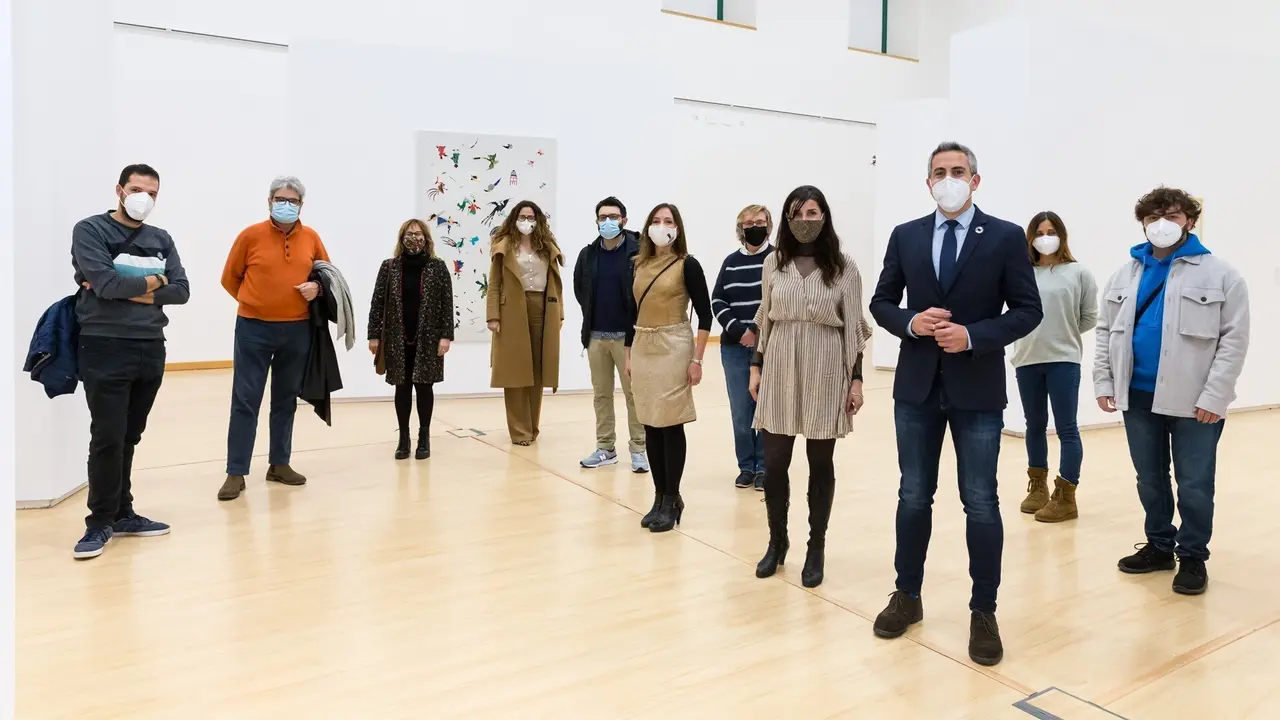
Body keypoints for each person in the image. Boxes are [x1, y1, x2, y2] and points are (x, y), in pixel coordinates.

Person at [868, 142, 1042, 666]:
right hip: (917, 388)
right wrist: (909, 322)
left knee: (981, 502)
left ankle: (983, 610)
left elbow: (1028, 310)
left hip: (977, 389)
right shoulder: (907, 235)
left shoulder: (1007, 237)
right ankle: (908, 595)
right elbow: (881, 301)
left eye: (958, 171)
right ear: (928, 183)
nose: (949, 179)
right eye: (940, 172)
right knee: (914, 496)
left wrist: (972, 335)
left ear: (976, 179)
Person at [1095, 187, 1248, 596]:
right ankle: (1160, 546)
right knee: (1150, 478)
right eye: (1153, 217)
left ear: (1190, 222)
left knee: (1195, 482)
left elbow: (1233, 340)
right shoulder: (1124, 273)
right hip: (1138, 396)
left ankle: (1193, 555)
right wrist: (1104, 381)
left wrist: (1215, 396)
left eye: (1173, 216)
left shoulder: (1220, 273)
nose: (1162, 224)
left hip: (1193, 400)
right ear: (1143, 222)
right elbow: (1105, 330)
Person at [748, 187, 872, 588]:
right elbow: (765, 319)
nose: (805, 219)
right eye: (797, 212)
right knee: (776, 461)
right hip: (781, 362)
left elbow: (854, 327)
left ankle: (815, 546)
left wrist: (856, 379)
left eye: (813, 211)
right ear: (786, 219)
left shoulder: (843, 267)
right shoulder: (773, 263)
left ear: (825, 216)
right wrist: (756, 367)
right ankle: (777, 541)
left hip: (825, 367)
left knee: (820, 463)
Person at [69, 163, 190, 559]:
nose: (144, 198)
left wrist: (130, 286)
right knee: (107, 436)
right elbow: (105, 284)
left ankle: (122, 512)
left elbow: (183, 290)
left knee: (129, 435)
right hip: (104, 345)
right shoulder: (90, 230)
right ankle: (99, 523)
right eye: (137, 189)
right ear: (119, 190)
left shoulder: (161, 238)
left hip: (151, 346)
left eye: (152, 193)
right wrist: (156, 281)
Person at [217, 176, 330, 501]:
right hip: (253, 329)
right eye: (281, 199)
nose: (286, 205)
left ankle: (279, 464)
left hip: (297, 330)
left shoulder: (311, 238)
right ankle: (235, 472)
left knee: (285, 401)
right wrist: (255, 302)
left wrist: (317, 289)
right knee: (245, 400)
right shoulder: (249, 236)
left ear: (301, 206)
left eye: (293, 201)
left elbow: (327, 274)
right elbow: (229, 278)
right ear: (269, 202)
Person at [629, 203, 713, 533]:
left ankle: (673, 497)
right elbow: (631, 312)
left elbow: (705, 315)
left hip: (674, 345)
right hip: (643, 345)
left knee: (670, 423)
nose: (661, 225)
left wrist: (697, 359)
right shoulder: (639, 264)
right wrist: (629, 354)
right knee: (650, 422)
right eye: (656, 220)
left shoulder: (687, 265)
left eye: (668, 221)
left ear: (677, 228)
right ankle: (660, 496)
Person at [1013, 212, 1098, 522]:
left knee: (1066, 428)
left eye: (1051, 231)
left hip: (1063, 360)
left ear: (1062, 235)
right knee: (1033, 425)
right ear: (1030, 238)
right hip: (1027, 359)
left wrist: (1062, 333)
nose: (1045, 237)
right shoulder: (1021, 274)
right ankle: (1038, 487)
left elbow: (1089, 317)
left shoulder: (1078, 273)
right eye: (1039, 232)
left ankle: (1066, 494)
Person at [368, 219, 454, 459]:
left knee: (425, 387)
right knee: (402, 387)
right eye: (409, 234)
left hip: (428, 338)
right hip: (397, 337)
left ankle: (424, 437)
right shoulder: (390, 267)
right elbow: (377, 303)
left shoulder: (438, 267)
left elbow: (447, 303)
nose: (413, 238)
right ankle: (403, 438)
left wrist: (446, 336)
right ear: (401, 238)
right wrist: (374, 335)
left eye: (418, 234)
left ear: (426, 238)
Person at [574, 197, 648, 472]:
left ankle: (639, 449)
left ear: (624, 220)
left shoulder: (639, 252)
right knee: (601, 394)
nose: (608, 221)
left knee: (634, 395)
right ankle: (606, 448)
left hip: (629, 340)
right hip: (596, 337)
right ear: (596, 220)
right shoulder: (588, 254)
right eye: (603, 217)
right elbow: (580, 290)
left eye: (614, 216)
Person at [487, 201, 564, 445]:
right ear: (514, 218)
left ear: (538, 219)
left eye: (531, 216)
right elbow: (494, 283)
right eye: (522, 216)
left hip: (543, 308)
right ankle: (519, 431)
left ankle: (532, 427)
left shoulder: (546, 247)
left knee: (538, 372)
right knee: (515, 371)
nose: (527, 221)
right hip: (512, 310)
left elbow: (557, 284)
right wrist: (493, 315)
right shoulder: (504, 247)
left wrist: (559, 313)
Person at [712, 204, 773, 491]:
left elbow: (779, 300)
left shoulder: (779, 260)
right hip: (734, 348)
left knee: (767, 408)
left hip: (770, 349)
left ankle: (764, 466)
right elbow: (718, 301)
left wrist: (757, 332)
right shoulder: (730, 262)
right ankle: (746, 466)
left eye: (760, 221)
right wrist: (739, 330)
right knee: (740, 410)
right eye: (748, 223)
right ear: (741, 229)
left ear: (769, 226)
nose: (754, 227)